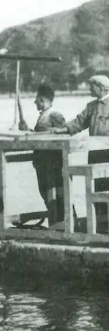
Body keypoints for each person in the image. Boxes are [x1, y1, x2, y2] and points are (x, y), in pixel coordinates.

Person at [50, 74, 109, 229]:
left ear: (101, 87)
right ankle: (99, 224)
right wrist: (60, 131)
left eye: (92, 85)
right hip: (94, 154)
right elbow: (78, 123)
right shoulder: (91, 106)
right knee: (95, 187)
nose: (89, 88)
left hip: (107, 154)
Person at [19, 84, 67, 226]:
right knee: (46, 193)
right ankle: (57, 223)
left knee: (55, 194)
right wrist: (27, 130)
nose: (35, 103)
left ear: (42, 100)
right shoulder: (44, 116)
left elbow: (61, 135)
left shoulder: (54, 115)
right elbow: (40, 135)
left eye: (36, 100)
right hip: (43, 163)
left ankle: (60, 223)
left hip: (51, 163)